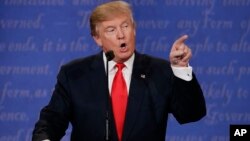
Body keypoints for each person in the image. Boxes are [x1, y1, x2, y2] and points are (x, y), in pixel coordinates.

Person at [32, 1, 206, 141]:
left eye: (125, 26)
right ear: (97, 38)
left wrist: (181, 69)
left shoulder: (159, 71)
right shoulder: (74, 74)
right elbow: (51, 121)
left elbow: (192, 114)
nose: (121, 35)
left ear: (134, 29)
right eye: (111, 30)